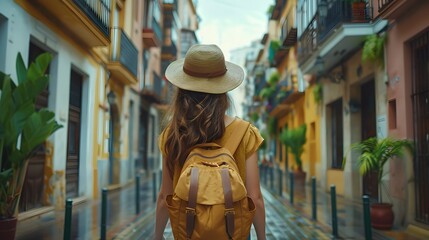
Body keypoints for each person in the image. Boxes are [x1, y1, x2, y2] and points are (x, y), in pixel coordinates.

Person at [154, 44, 266, 239]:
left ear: (183, 90)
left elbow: (165, 197)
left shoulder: (172, 135)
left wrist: (157, 236)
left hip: (188, 232)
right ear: (223, 90)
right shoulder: (246, 133)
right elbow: (254, 197)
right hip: (234, 232)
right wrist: (262, 237)